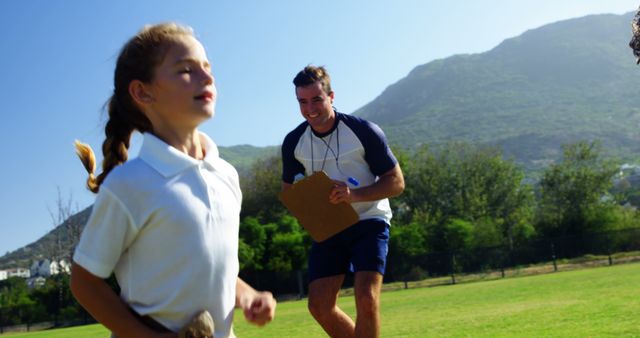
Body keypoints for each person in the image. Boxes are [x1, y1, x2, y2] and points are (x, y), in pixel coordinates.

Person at [70, 23, 276, 338]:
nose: (207, 77)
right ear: (143, 92)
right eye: (185, 70)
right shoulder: (129, 185)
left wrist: (248, 296)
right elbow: (85, 282)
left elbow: (212, 272)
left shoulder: (227, 175)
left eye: (207, 67)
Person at [281, 65, 405, 337]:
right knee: (320, 306)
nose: (309, 108)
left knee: (366, 298)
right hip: (330, 227)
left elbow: (396, 182)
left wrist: (354, 196)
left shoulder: (363, 131)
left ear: (331, 96)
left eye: (316, 99)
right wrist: (309, 205)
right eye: (302, 102)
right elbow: (288, 189)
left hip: (370, 220)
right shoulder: (293, 142)